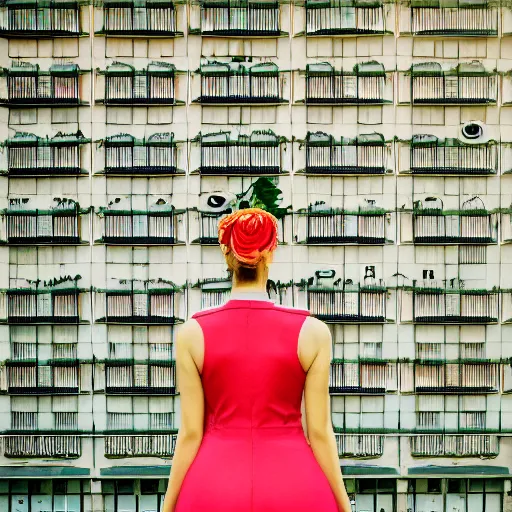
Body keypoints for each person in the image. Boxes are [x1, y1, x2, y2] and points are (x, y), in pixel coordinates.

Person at [162, 207, 352, 512]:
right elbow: (318, 431)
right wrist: (344, 506)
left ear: (228, 254)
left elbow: (190, 434)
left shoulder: (192, 333)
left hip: (212, 487)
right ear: (270, 253)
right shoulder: (313, 332)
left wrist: (168, 506)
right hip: (296, 488)